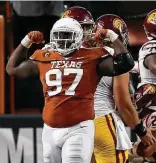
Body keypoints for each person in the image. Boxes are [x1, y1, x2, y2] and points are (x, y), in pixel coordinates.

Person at [6, 17, 135, 163]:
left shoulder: (91, 57)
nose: (62, 40)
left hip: (78, 127)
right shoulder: (45, 56)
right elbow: (12, 69)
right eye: (59, 35)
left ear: (78, 36)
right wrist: (25, 42)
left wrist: (112, 37)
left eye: (67, 35)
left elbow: (126, 64)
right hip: (50, 128)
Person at [90, 14, 156, 163]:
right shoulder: (117, 59)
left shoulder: (83, 55)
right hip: (101, 119)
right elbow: (123, 103)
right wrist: (141, 130)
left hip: (78, 122)